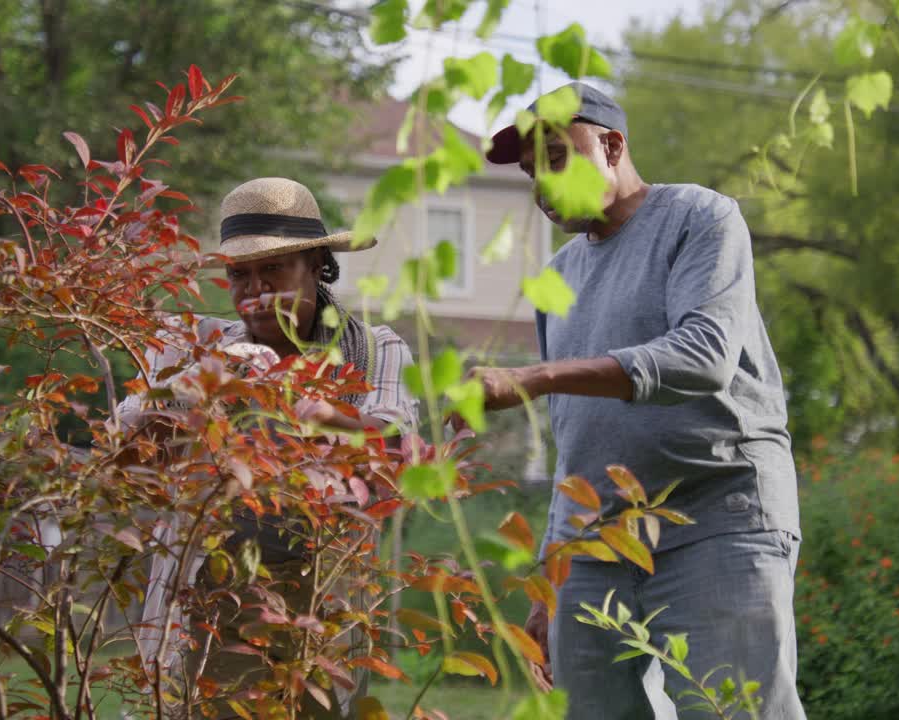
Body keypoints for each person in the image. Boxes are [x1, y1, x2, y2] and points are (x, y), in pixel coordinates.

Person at [475, 83, 805, 719]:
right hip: (596, 545)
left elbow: (703, 355)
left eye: (555, 158)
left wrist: (536, 376)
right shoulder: (558, 280)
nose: (541, 185)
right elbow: (576, 436)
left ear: (612, 144)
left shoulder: (700, 217)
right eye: (529, 173)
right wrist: (551, 574)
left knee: (731, 711)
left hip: (716, 517)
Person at [116, 177, 417, 719]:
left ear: (319, 265)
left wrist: (328, 414)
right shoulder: (200, 345)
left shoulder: (374, 348)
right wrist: (204, 384)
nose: (254, 289)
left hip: (323, 589)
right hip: (213, 591)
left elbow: (399, 447)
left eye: (272, 269)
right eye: (239, 275)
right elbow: (128, 445)